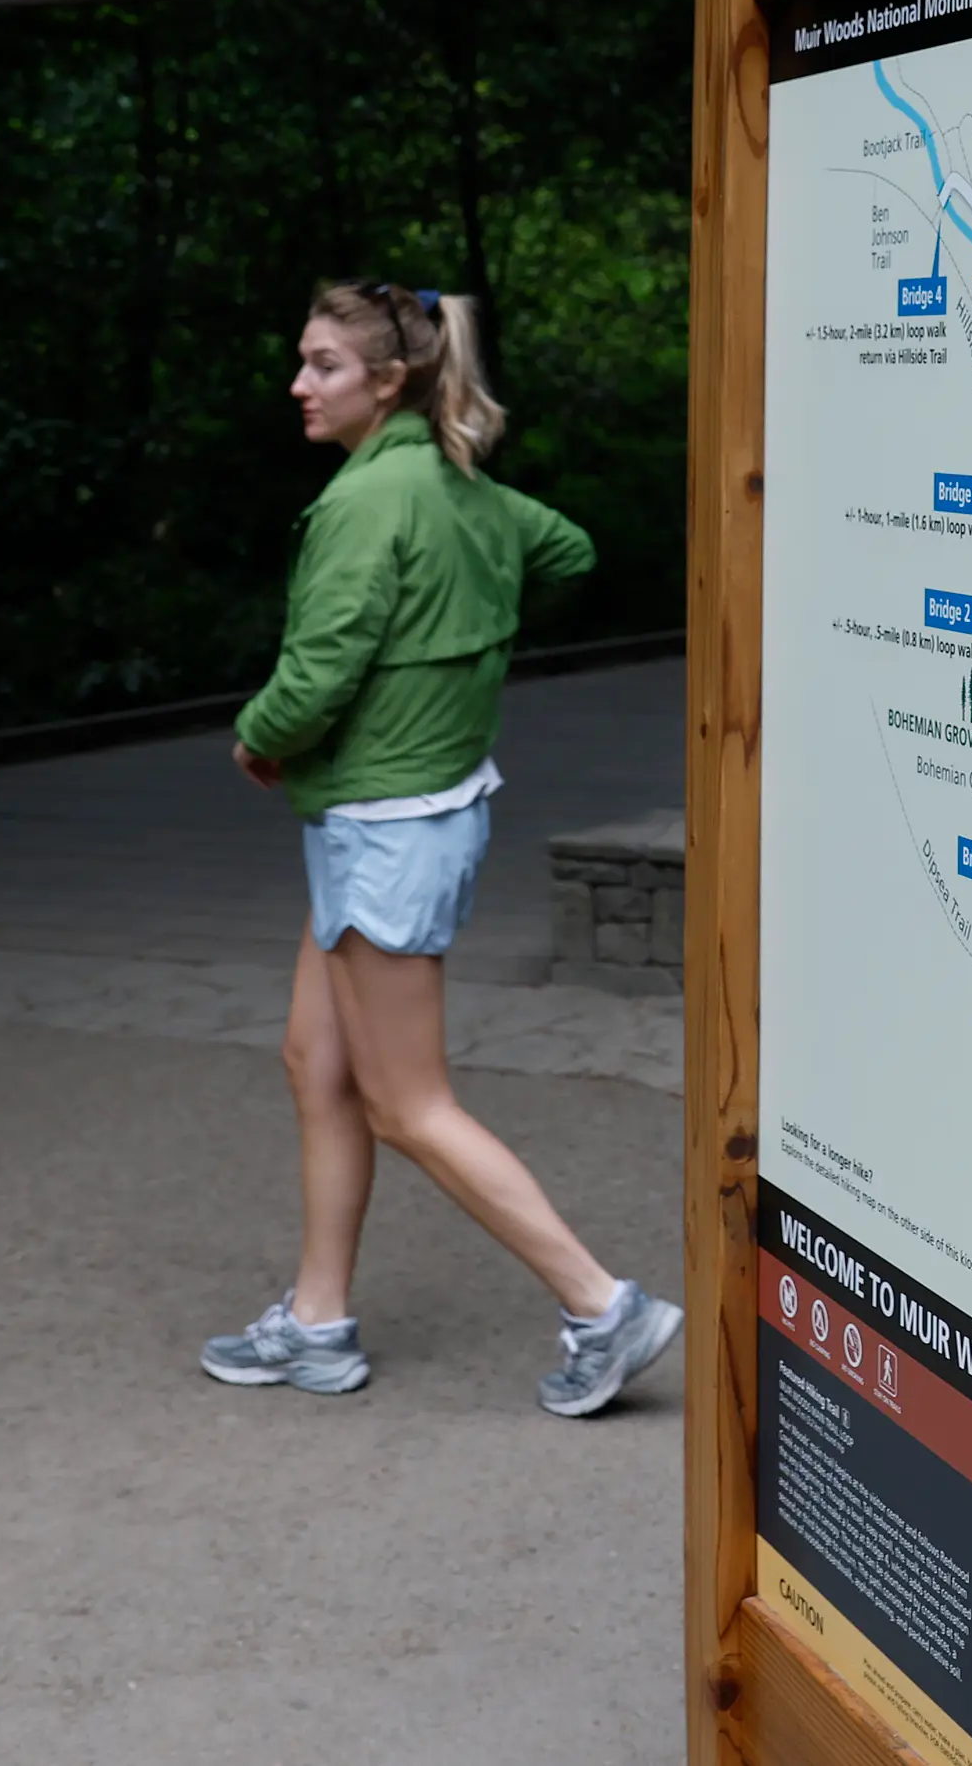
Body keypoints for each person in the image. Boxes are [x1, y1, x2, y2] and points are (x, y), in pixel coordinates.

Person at [197, 280, 684, 1416]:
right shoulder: (453, 484)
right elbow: (564, 547)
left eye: (322, 363)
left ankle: (601, 1303)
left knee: (407, 1103)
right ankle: (318, 1323)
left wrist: (259, 739)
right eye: (303, 360)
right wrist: (464, 631)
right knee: (315, 1063)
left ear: (388, 379)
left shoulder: (373, 502)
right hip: (391, 817)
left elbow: (318, 669)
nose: (299, 383)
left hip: (386, 826)